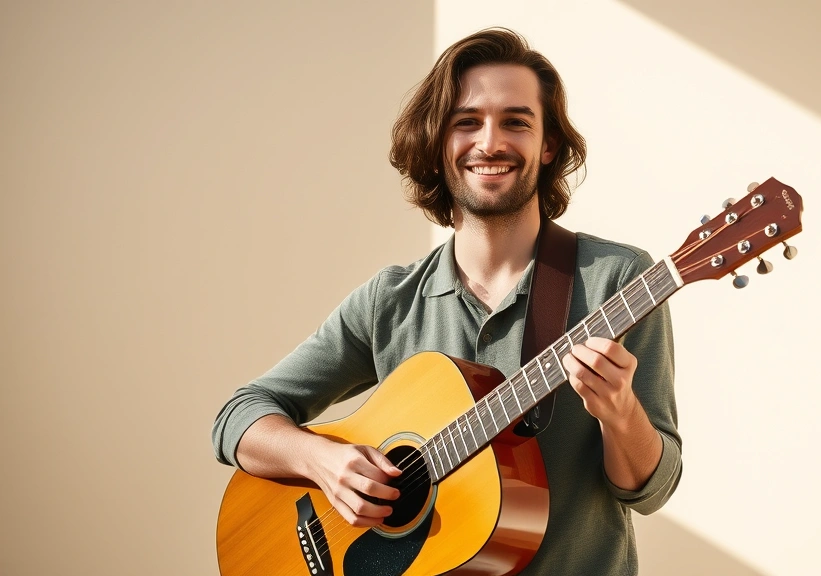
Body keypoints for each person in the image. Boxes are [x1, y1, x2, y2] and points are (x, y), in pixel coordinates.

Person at [212, 27, 681, 575]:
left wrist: (620, 412)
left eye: (516, 121)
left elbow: (650, 492)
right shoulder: (390, 301)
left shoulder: (621, 281)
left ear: (548, 145)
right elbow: (237, 418)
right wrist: (325, 462)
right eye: (467, 122)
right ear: (437, 143)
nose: (490, 143)